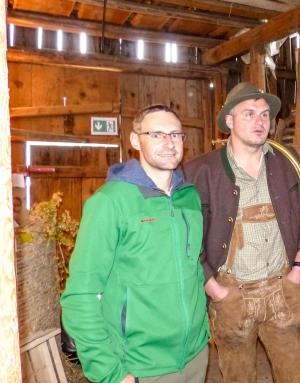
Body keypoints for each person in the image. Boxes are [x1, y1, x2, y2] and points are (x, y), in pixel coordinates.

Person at [61, 104, 210, 383]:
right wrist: (110, 372)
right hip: (140, 367)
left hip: (195, 357)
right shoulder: (109, 203)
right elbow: (81, 295)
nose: (169, 143)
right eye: (157, 134)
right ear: (134, 140)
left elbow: (194, 270)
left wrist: (203, 330)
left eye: (176, 135)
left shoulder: (188, 198)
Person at [183, 82, 300, 383]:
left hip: (284, 290)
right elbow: (186, 240)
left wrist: (299, 264)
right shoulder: (200, 172)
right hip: (232, 296)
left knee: (298, 377)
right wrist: (213, 288)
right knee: (238, 377)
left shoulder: (288, 162)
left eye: (265, 114)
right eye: (248, 114)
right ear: (229, 121)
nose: (259, 122)